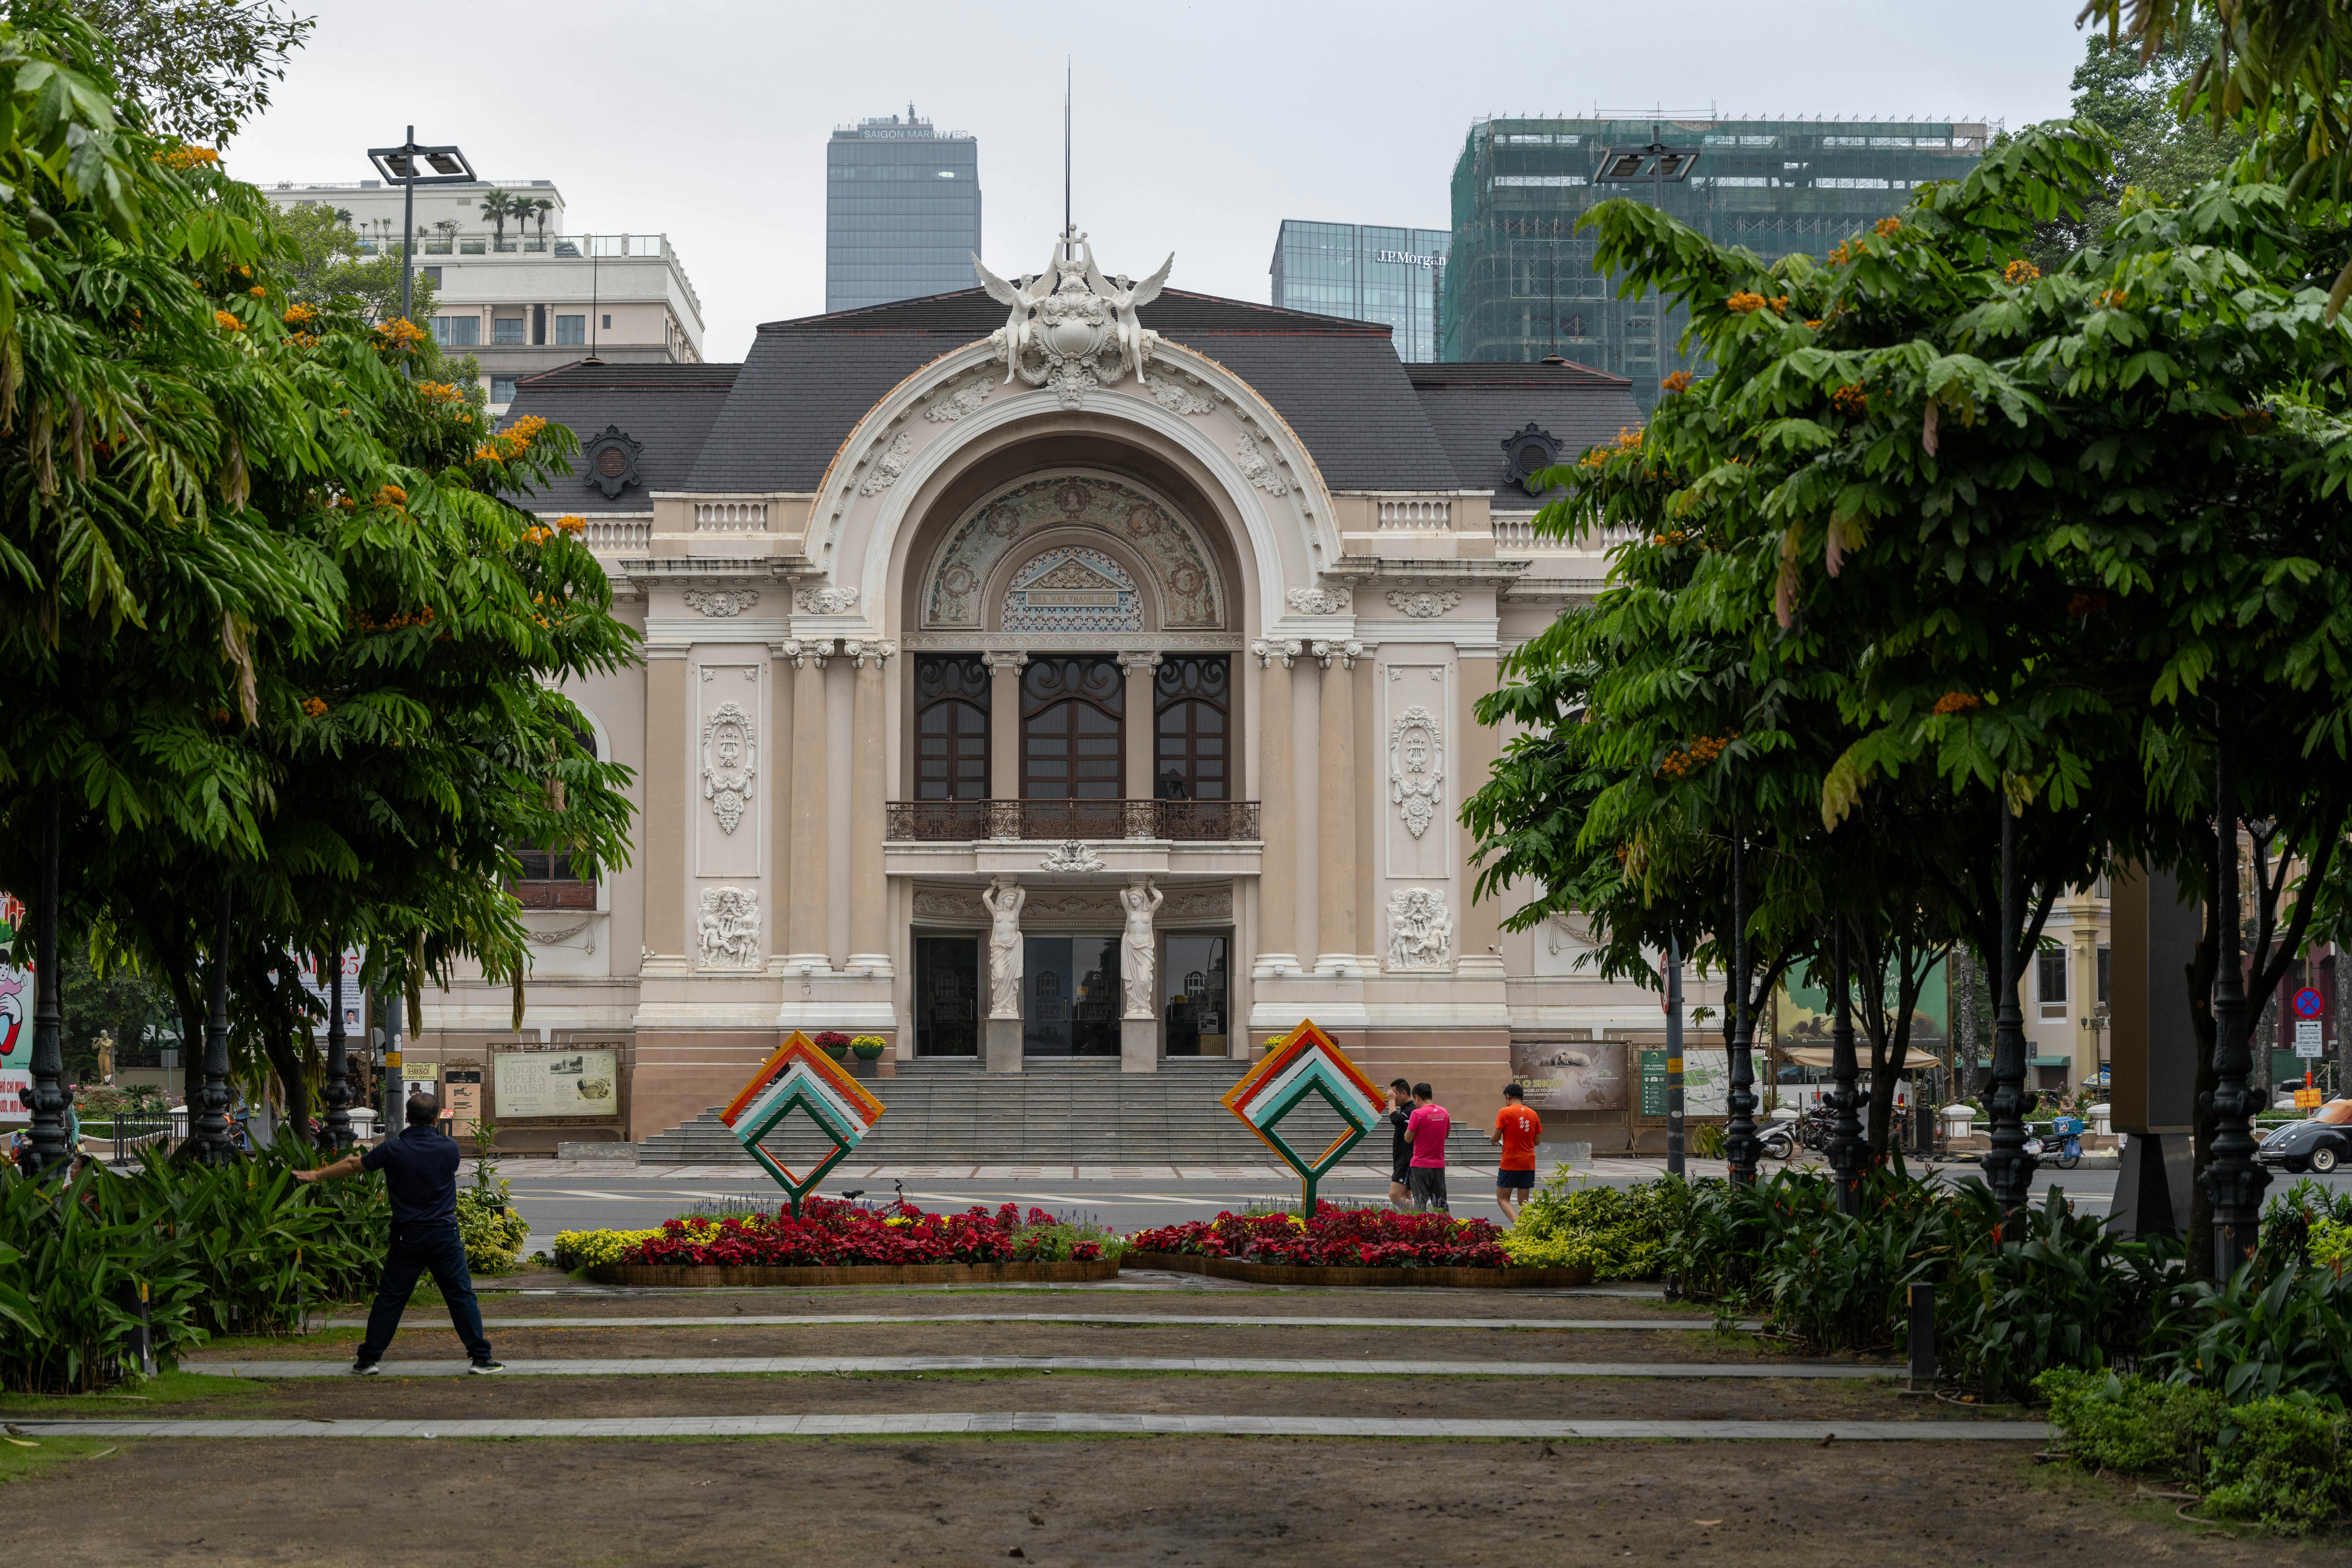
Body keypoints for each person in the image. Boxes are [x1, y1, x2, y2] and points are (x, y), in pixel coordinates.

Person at [297, 1091, 502, 1375]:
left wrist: (316, 1175)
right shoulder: (449, 1148)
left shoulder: (392, 1150)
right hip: (444, 1234)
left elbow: (354, 1164)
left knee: (391, 1298)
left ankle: (367, 1360)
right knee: (461, 1295)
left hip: (407, 1236)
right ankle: (481, 1358)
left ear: (407, 1117)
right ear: (435, 1118)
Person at [1487, 1082, 1543, 1224]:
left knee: (1503, 1199)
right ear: (1522, 1098)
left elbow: (1495, 1138)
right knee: (1524, 1203)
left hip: (1510, 1162)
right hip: (1529, 1162)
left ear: (1508, 1097)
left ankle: (1519, 1226)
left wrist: (1493, 1140)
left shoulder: (1505, 1112)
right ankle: (1525, 1228)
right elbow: (1537, 1142)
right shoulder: (1533, 1114)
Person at [1405, 1081, 1451, 1213]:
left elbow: (1408, 1139)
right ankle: (1450, 1230)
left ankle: (1422, 1231)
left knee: (1420, 1204)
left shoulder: (1417, 1114)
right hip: (1439, 1165)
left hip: (1421, 1165)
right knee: (1442, 1204)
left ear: (1417, 1097)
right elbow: (1446, 1134)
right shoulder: (1444, 1112)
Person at [1383, 1078, 1414, 1211]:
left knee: (1395, 1196)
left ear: (1404, 1093)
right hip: (1401, 1158)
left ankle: (1425, 1214)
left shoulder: (1412, 1110)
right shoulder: (1405, 1110)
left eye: (1395, 1094)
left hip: (1406, 1160)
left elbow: (1395, 1119)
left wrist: (1391, 1101)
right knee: (1406, 1198)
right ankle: (1413, 1223)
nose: (1394, 1097)